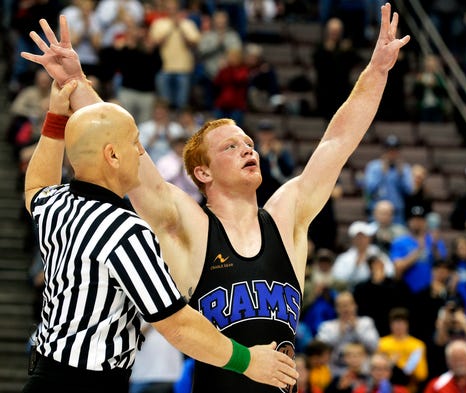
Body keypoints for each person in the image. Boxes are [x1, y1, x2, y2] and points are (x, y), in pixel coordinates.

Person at [23, 5, 410, 392]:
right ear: (202, 173)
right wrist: (76, 81)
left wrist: (376, 72)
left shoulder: (286, 215)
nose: (247, 149)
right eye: (230, 146)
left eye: (249, 143)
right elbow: (120, 144)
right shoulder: (187, 225)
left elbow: (337, 141)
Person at [19, 18, 297, 393]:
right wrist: (249, 361)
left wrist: (58, 115)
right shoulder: (125, 232)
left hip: (44, 376)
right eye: (135, 142)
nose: (142, 151)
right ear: (113, 156)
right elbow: (176, 323)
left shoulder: (57, 205)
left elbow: (36, 185)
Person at [363, 134, 414, 225]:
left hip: (397, 214)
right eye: (389, 150)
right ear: (384, 151)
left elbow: (409, 191)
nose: (392, 153)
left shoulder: (404, 168)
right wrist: (382, 173)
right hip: (377, 214)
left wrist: (400, 175)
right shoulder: (374, 167)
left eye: (394, 150)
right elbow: (369, 189)